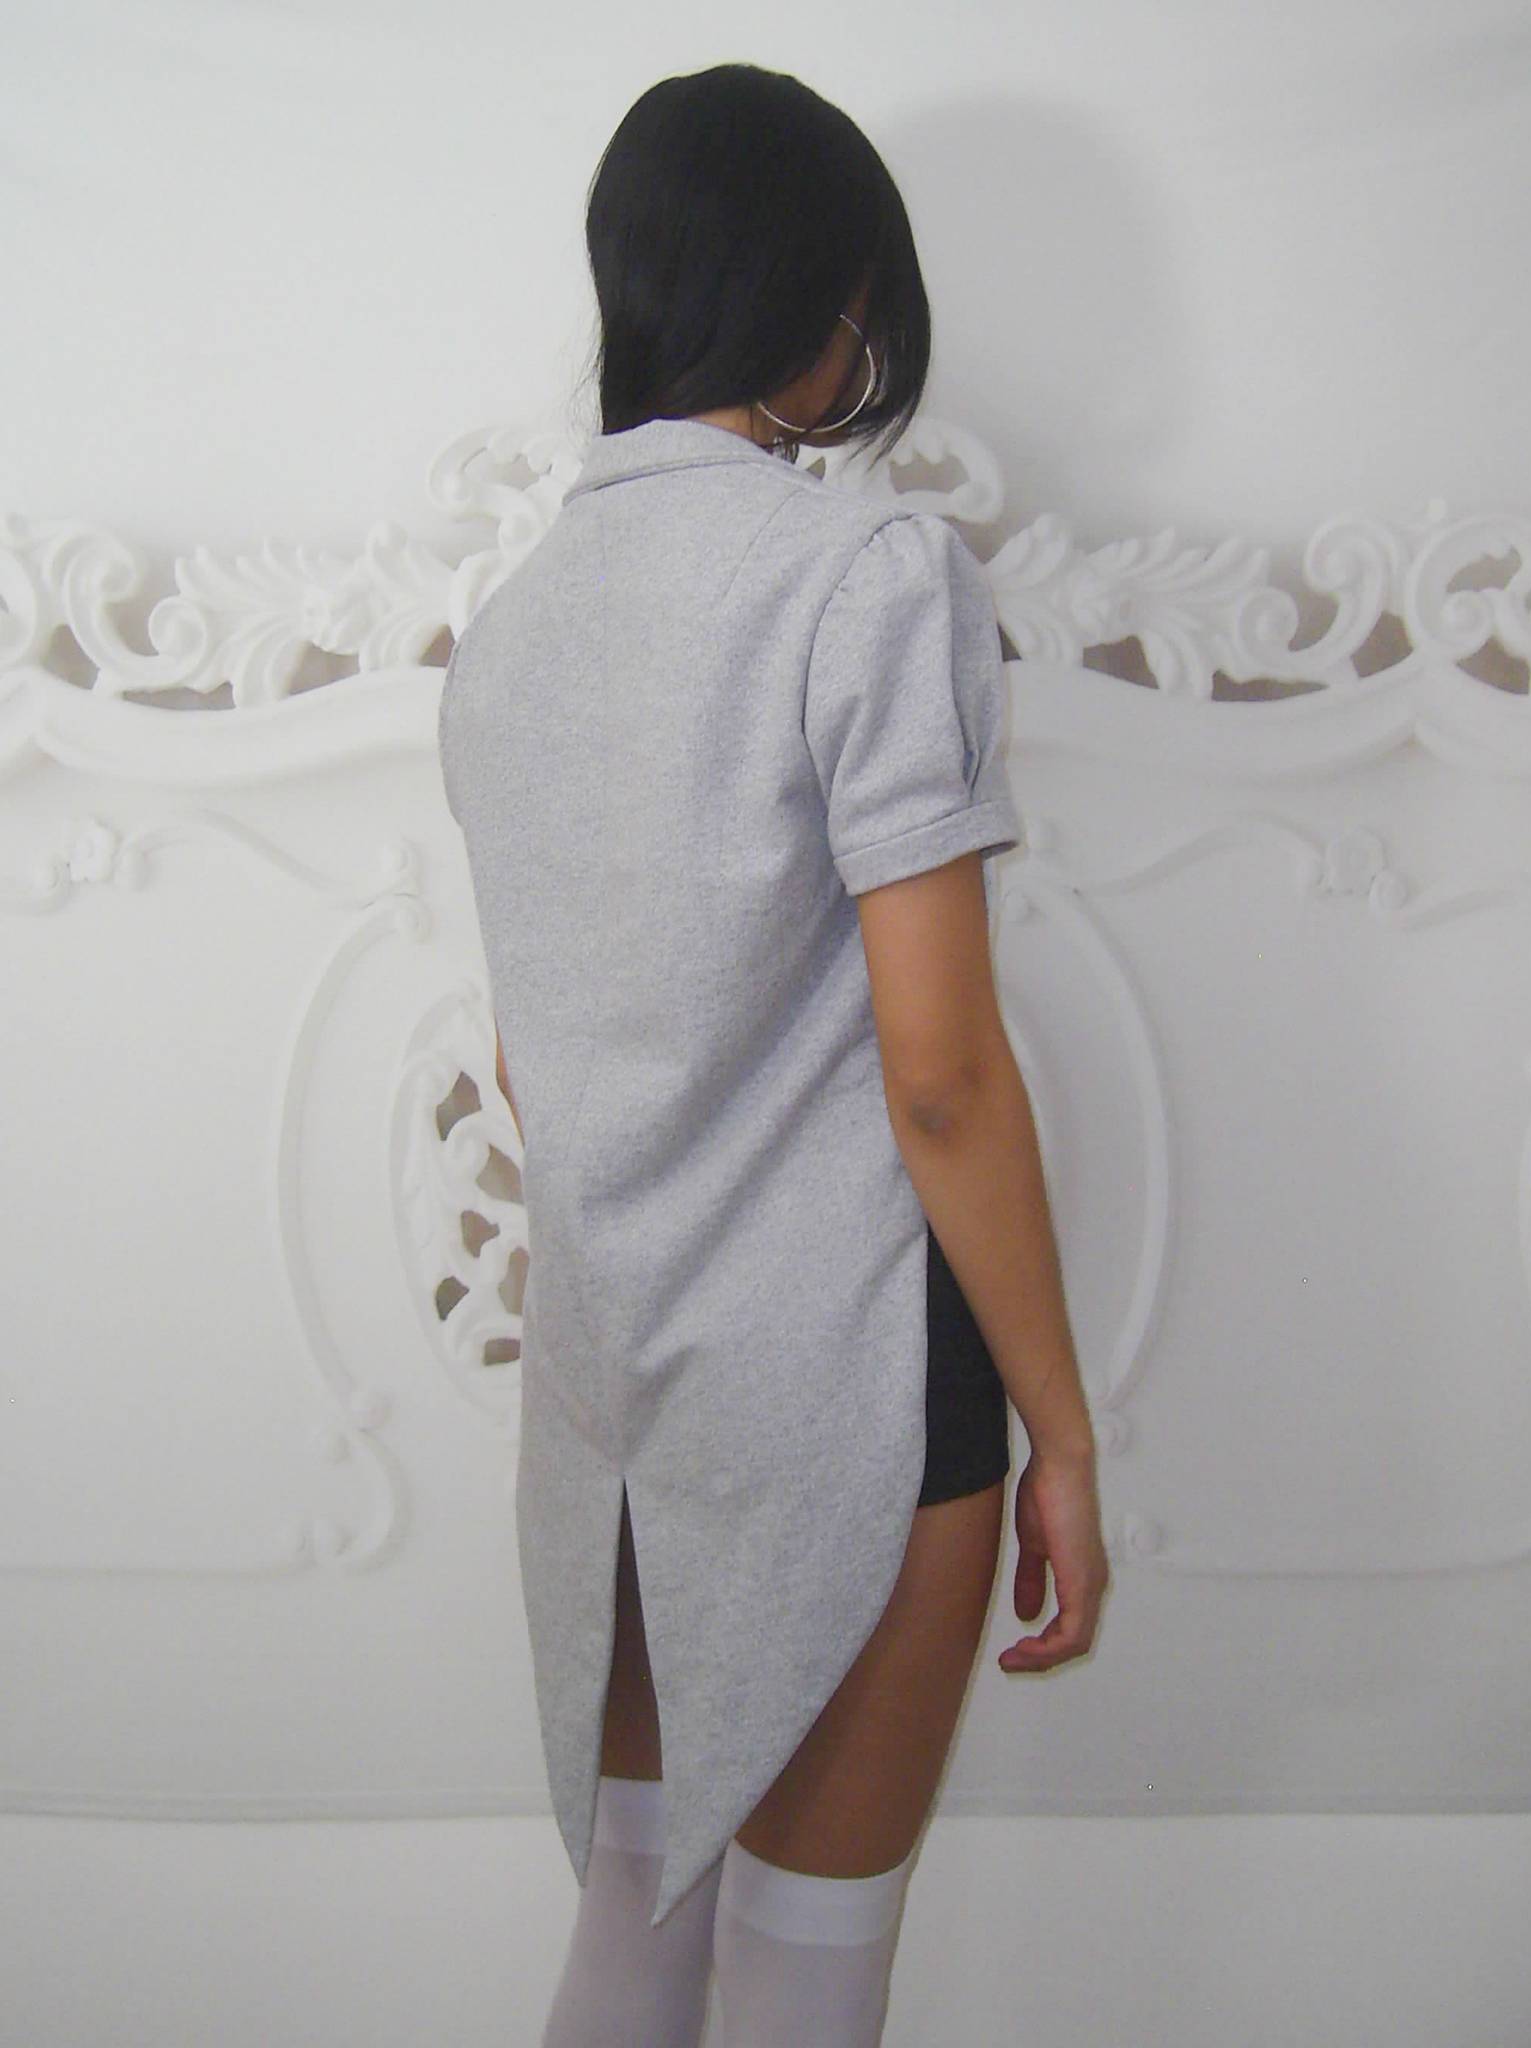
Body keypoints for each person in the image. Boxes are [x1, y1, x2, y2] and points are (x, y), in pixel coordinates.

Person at [437, 61, 1110, 2048]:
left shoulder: (514, 629)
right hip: (851, 1376)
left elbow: (537, 1069)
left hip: (614, 1391)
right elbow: (943, 1076)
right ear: (829, 301)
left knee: (633, 1933)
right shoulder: (866, 579)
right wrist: (1064, 1432)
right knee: (808, 1973)